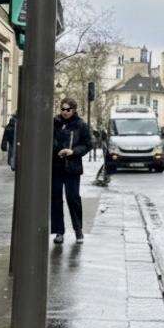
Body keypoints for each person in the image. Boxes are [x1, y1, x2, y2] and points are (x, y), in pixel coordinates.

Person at [52, 99, 91, 245]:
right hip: (56, 167)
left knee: (73, 198)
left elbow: (88, 144)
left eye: (68, 109)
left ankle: (78, 229)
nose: (64, 112)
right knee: (56, 199)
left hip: (72, 168)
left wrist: (73, 151)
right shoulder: (55, 123)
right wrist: (57, 150)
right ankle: (59, 232)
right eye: (62, 109)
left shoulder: (81, 125)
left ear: (74, 110)